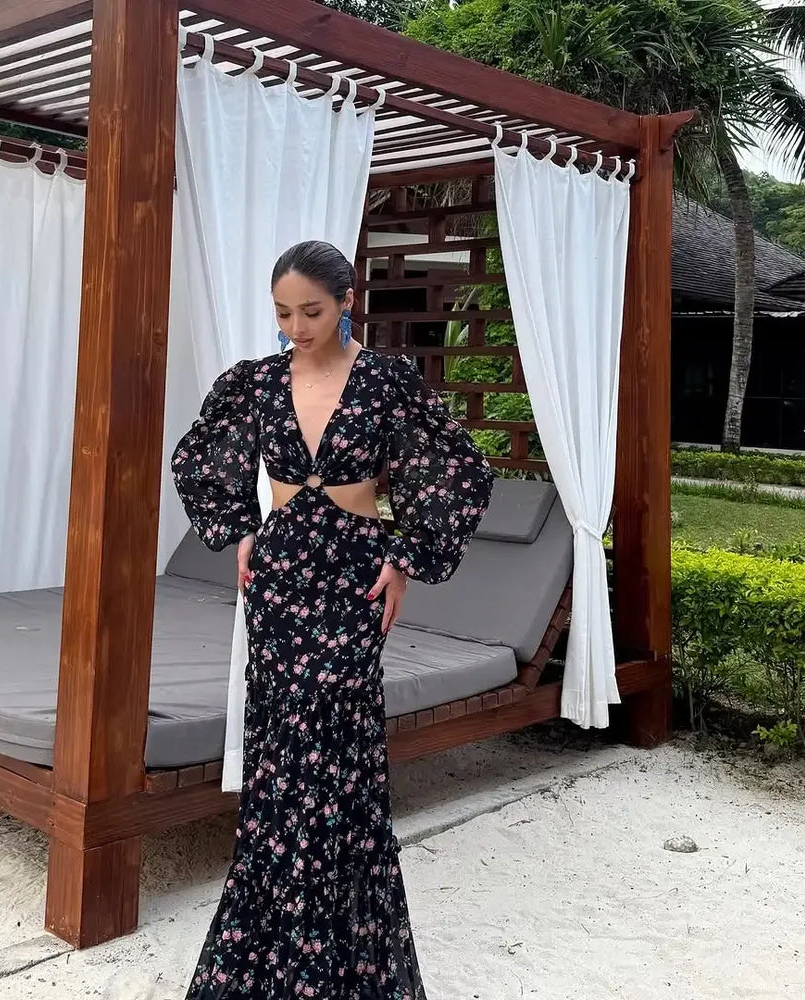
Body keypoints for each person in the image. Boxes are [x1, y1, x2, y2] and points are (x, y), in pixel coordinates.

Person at [171, 239, 494, 999]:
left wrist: (407, 554)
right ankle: (269, 962)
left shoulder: (386, 382)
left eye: (311, 311)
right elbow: (196, 460)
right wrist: (241, 529)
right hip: (280, 580)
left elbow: (459, 468)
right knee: (282, 756)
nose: (295, 327)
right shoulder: (253, 383)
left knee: (342, 759)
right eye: (283, 313)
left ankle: (347, 963)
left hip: (352, 578)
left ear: (347, 301)